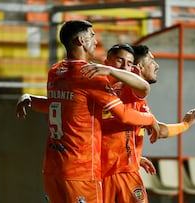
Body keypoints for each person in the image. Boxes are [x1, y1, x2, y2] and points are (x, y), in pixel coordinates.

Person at [15, 20, 160, 203]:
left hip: (53, 169)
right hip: (81, 170)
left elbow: (57, 105)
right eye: (91, 36)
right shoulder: (91, 76)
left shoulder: (56, 71)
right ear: (80, 41)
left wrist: (30, 99)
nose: (96, 41)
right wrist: (150, 119)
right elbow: (123, 114)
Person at [81, 44, 195, 203]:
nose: (156, 65)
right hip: (123, 174)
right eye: (151, 60)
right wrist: (184, 125)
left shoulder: (104, 90)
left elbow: (157, 129)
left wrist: (135, 156)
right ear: (138, 67)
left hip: (100, 173)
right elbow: (154, 124)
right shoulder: (132, 91)